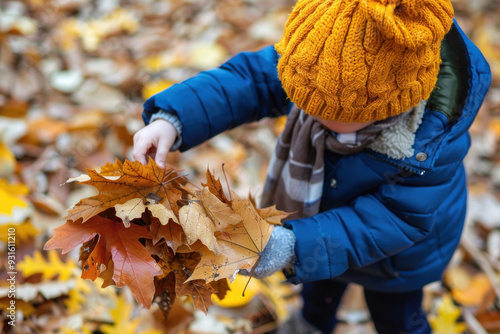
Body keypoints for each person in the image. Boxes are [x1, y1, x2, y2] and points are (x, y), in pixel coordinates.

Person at [133, 0, 492, 333]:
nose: (305, 109)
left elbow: (394, 220)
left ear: (383, 107)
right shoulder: (318, 63)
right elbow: (251, 82)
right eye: (299, 95)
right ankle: (312, 323)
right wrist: (174, 119)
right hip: (316, 229)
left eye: (326, 112)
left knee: (396, 318)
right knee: (317, 288)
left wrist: (293, 245)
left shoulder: (425, 148)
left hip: (395, 261)